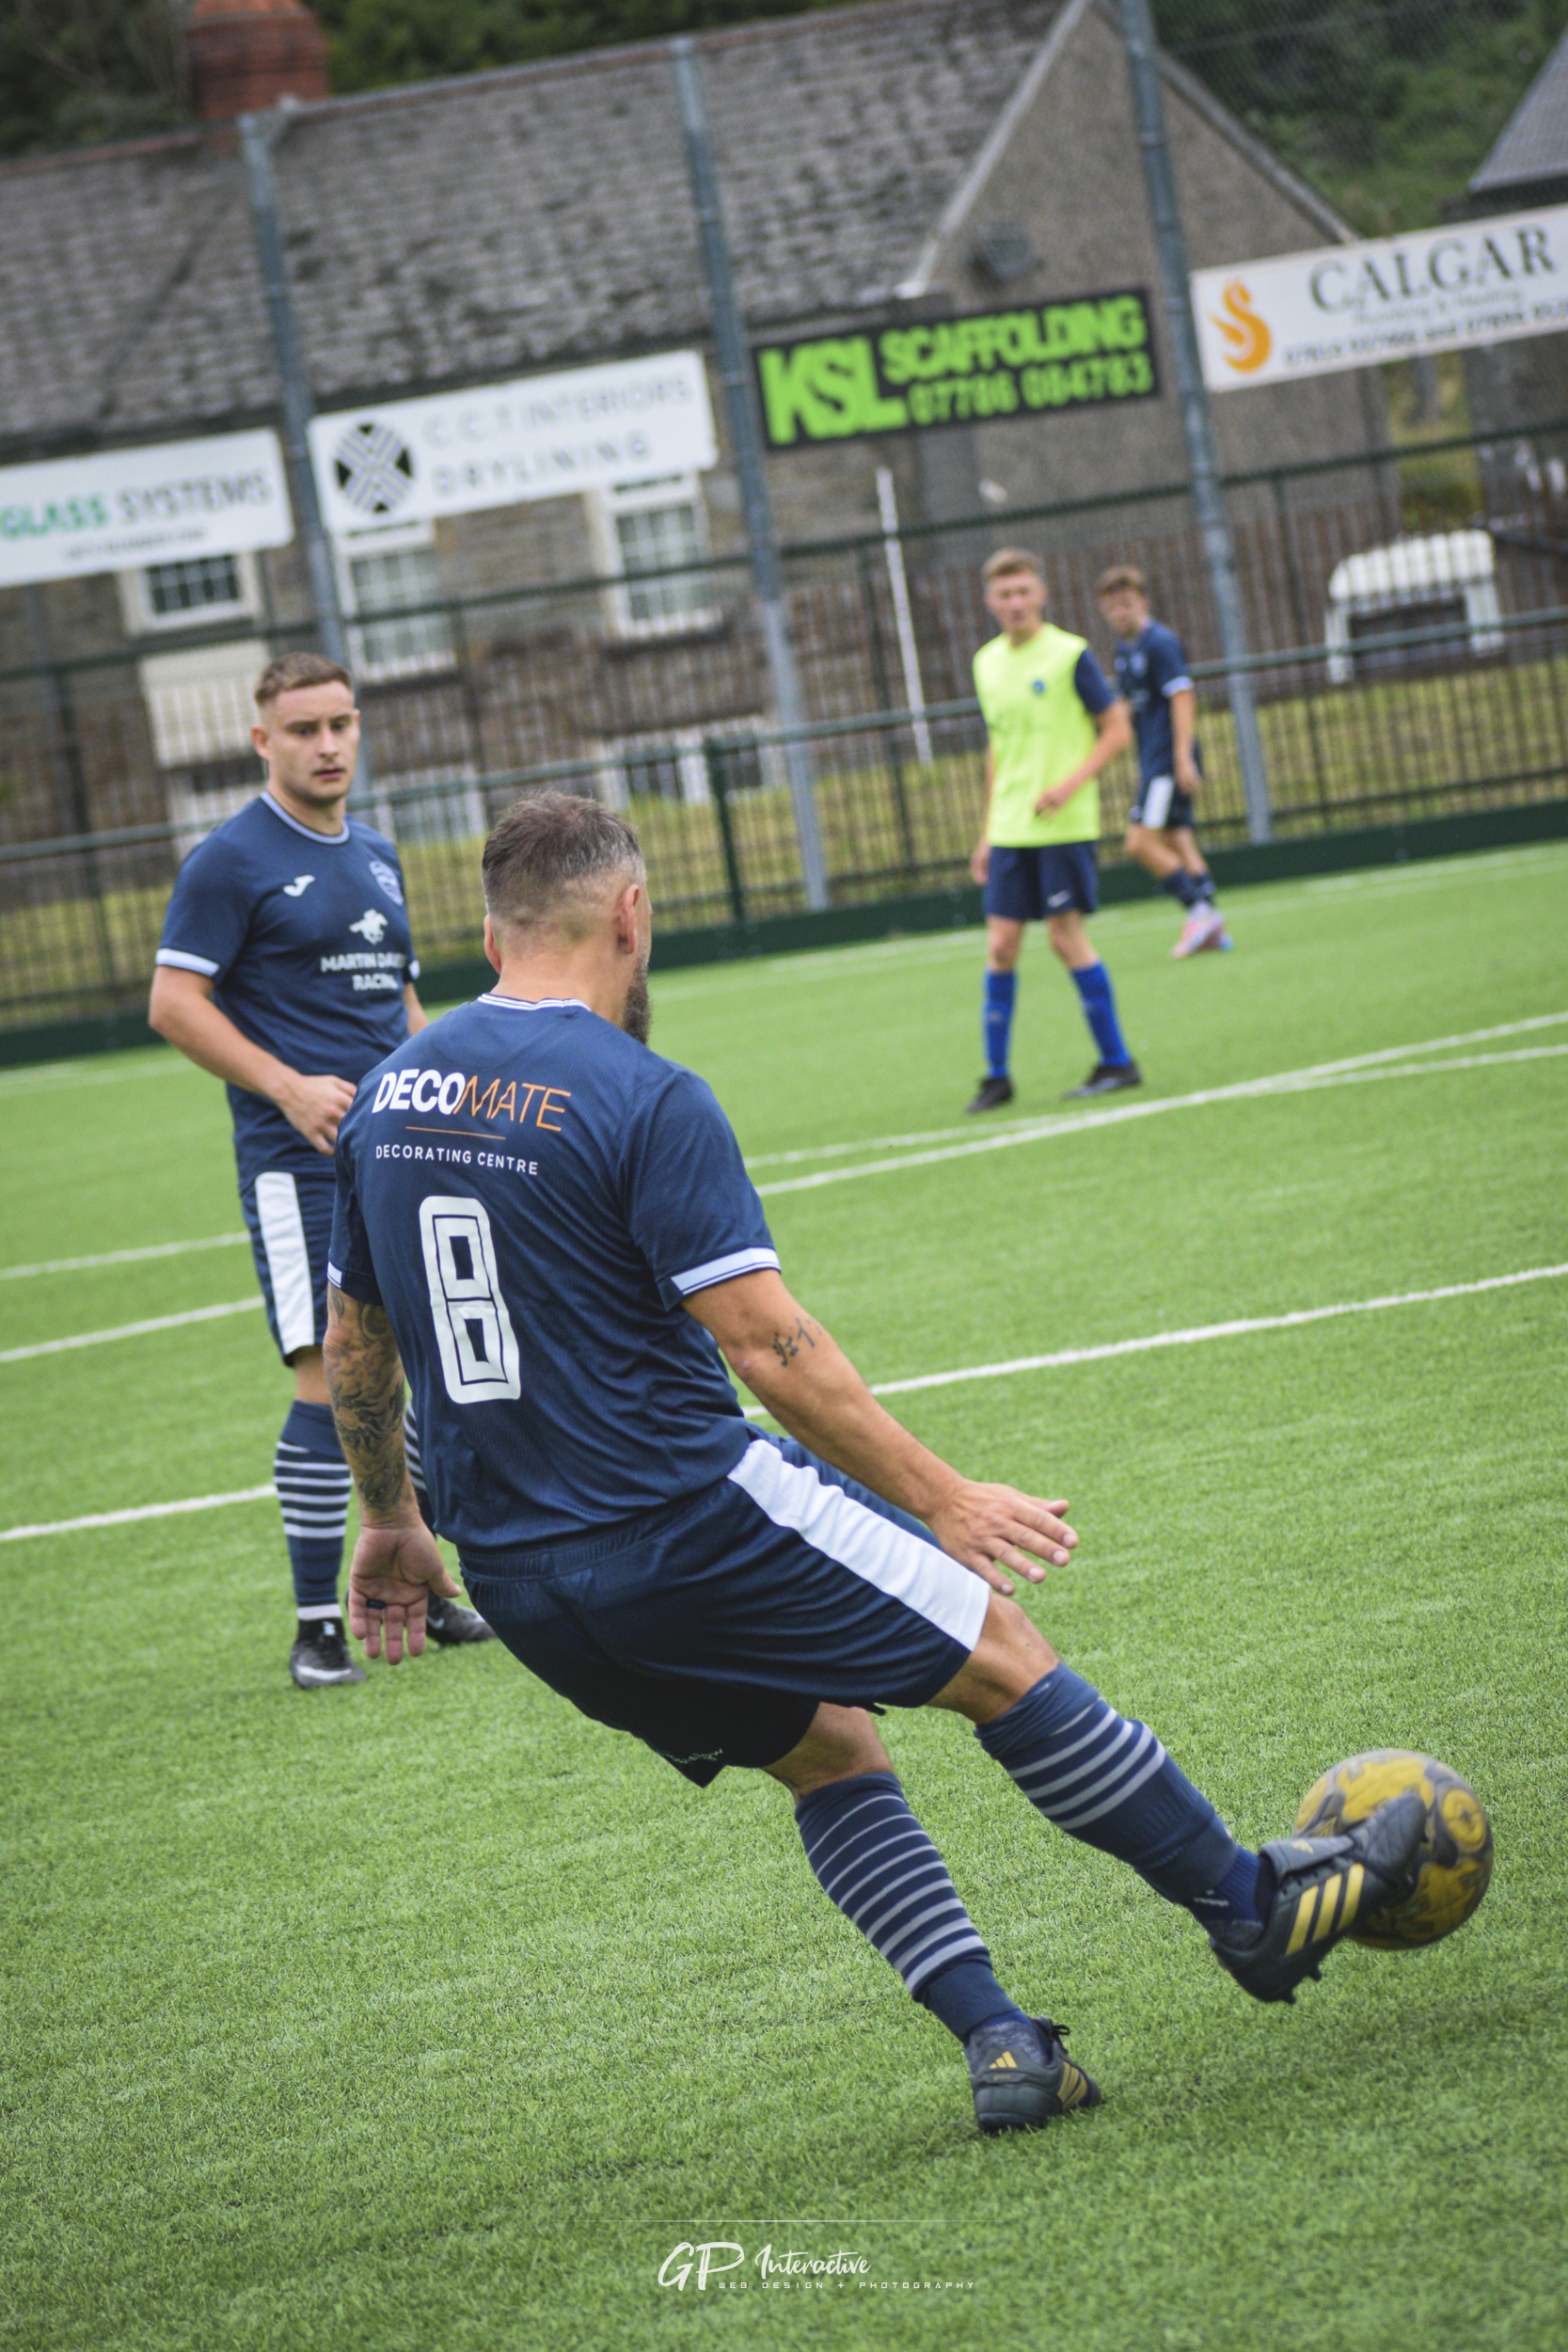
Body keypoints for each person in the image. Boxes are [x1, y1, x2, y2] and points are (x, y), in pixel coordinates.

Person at [321, 790, 1426, 2136]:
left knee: (828, 1751)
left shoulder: (387, 1094)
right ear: (631, 915)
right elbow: (768, 1349)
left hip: (518, 1577)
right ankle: (1247, 1909)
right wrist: (942, 1498)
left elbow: (354, 1340)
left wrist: (389, 1516)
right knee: (1001, 1653)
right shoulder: (642, 1092)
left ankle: (1003, 2045)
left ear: (490, 937)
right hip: (688, 1517)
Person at [149, 650, 494, 1689]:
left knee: (416, 1366)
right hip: (295, 1166)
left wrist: (448, 1103)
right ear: (264, 741)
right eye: (303, 729)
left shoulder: (378, 854)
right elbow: (173, 1004)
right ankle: (316, 1628)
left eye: (341, 723)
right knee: (326, 1374)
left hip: (396, 1154)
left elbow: (401, 1005)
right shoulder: (227, 862)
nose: (328, 744)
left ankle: (424, 1585)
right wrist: (288, 1087)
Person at [967, 549, 1141, 1114]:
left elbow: (1116, 729)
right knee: (1000, 946)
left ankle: (1117, 1061)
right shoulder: (987, 663)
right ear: (990, 602)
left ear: (1041, 594)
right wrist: (988, 830)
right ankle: (997, 1077)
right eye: (1005, 594)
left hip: (1062, 826)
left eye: (1024, 592)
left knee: (1065, 939)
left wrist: (1069, 785)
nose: (1015, 603)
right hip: (1010, 828)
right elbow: (998, 747)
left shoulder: (1069, 655)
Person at [1097, 565, 1232, 959]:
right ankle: (1213, 929)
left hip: (1168, 760)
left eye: (1126, 603)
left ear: (1143, 601)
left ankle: (1199, 912)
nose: (1119, 613)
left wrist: (1181, 757)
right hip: (1155, 759)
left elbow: (1182, 696)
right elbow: (1127, 706)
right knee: (1177, 839)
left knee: (1139, 842)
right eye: (1112, 607)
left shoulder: (1159, 643)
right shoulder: (1125, 650)